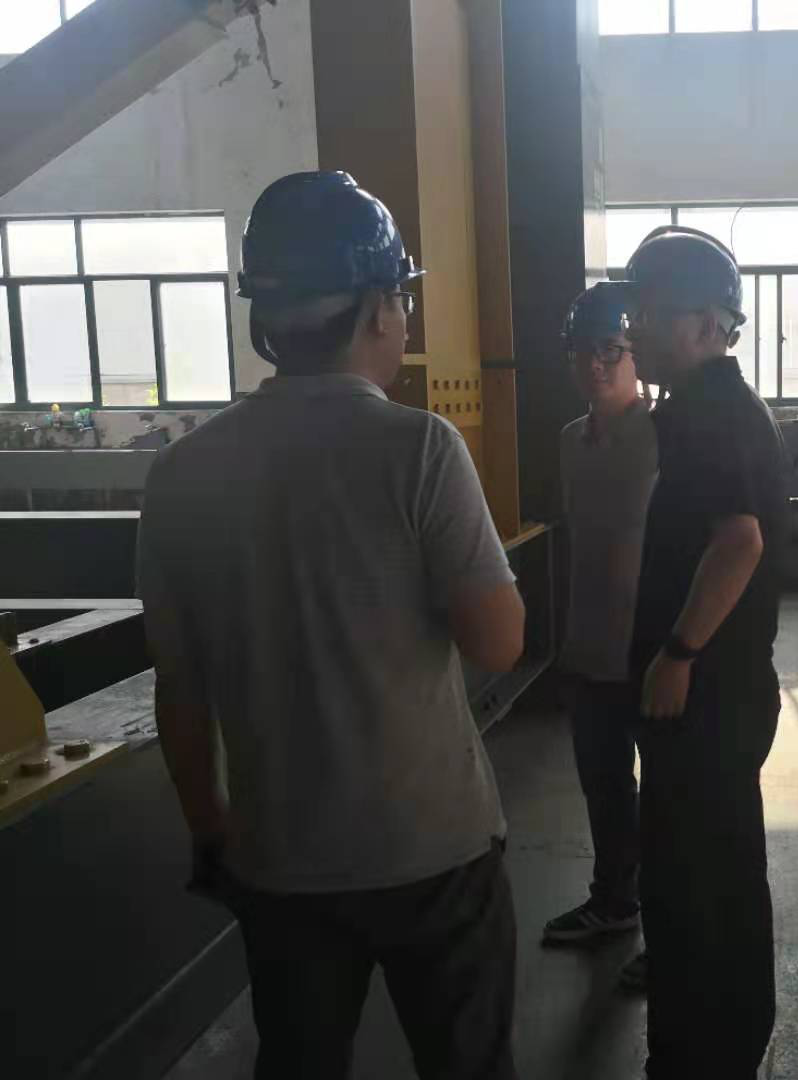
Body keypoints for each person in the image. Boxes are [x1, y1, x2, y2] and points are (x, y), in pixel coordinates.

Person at [137, 171, 526, 1080]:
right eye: (403, 299)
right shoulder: (420, 449)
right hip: (431, 852)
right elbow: (499, 643)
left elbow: (179, 685)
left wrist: (211, 828)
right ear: (380, 308)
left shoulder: (181, 474)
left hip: (279, 859)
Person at [620, 225, 787, 1080]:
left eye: (645, 313)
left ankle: (700, 1054)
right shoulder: (706, 405)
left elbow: (738, 541)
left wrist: (678, 653)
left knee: (694, 884)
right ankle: (718, 1041)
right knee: (713, 871)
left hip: (708, 695)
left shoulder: (710, 411)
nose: (633, 331)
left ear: (701, 324)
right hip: (722, 693)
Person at [543, 282, 656, 994]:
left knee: (669, 799)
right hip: (589, 646)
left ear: (635, 354)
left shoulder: (665, 435)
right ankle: (614, 901)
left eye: (610, 350)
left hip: (651, 648)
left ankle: (672, 930)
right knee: (604, 787)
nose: (595, 365)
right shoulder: (569, 442)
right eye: (583, 351)